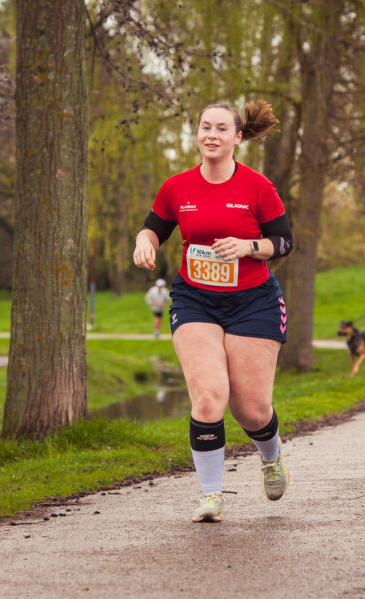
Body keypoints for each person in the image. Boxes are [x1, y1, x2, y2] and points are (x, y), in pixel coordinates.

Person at [133, 99, 294, 523]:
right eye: (206, 127)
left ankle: (271, 457)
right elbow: (154, 226)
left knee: (251, 410)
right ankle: (211, 496)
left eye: (222, 128)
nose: (212, 135)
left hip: (253, 302)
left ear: (238, 137)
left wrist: (248, 246)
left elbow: (283, 241)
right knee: (208, 398)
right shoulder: (177, 187)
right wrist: (144, 242)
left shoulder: (258, 187)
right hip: (196, 300)